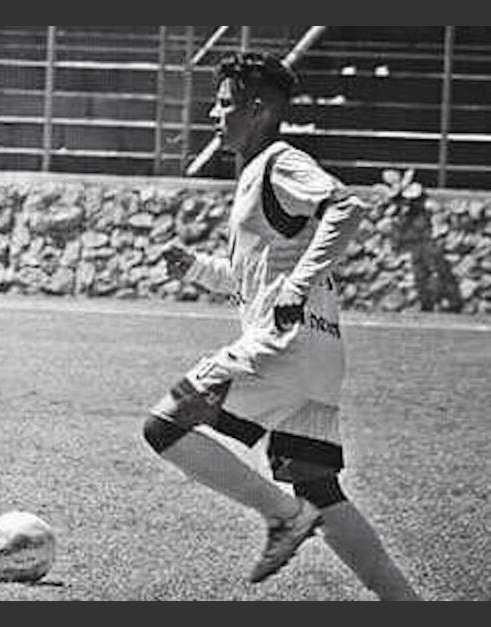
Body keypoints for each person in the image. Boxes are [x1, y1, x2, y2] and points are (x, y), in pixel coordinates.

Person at [141, 52, 421, 600]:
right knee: (319, 487)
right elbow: (256, 278)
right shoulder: (255, 175)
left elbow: (345, 207)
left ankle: (283, 518)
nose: (212, 113)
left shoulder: (279, 161)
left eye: (224, 103)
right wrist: (198, 268)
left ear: (259, 107)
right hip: (317, 353)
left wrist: (296, 287)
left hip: (281, 347)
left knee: (164, 425)